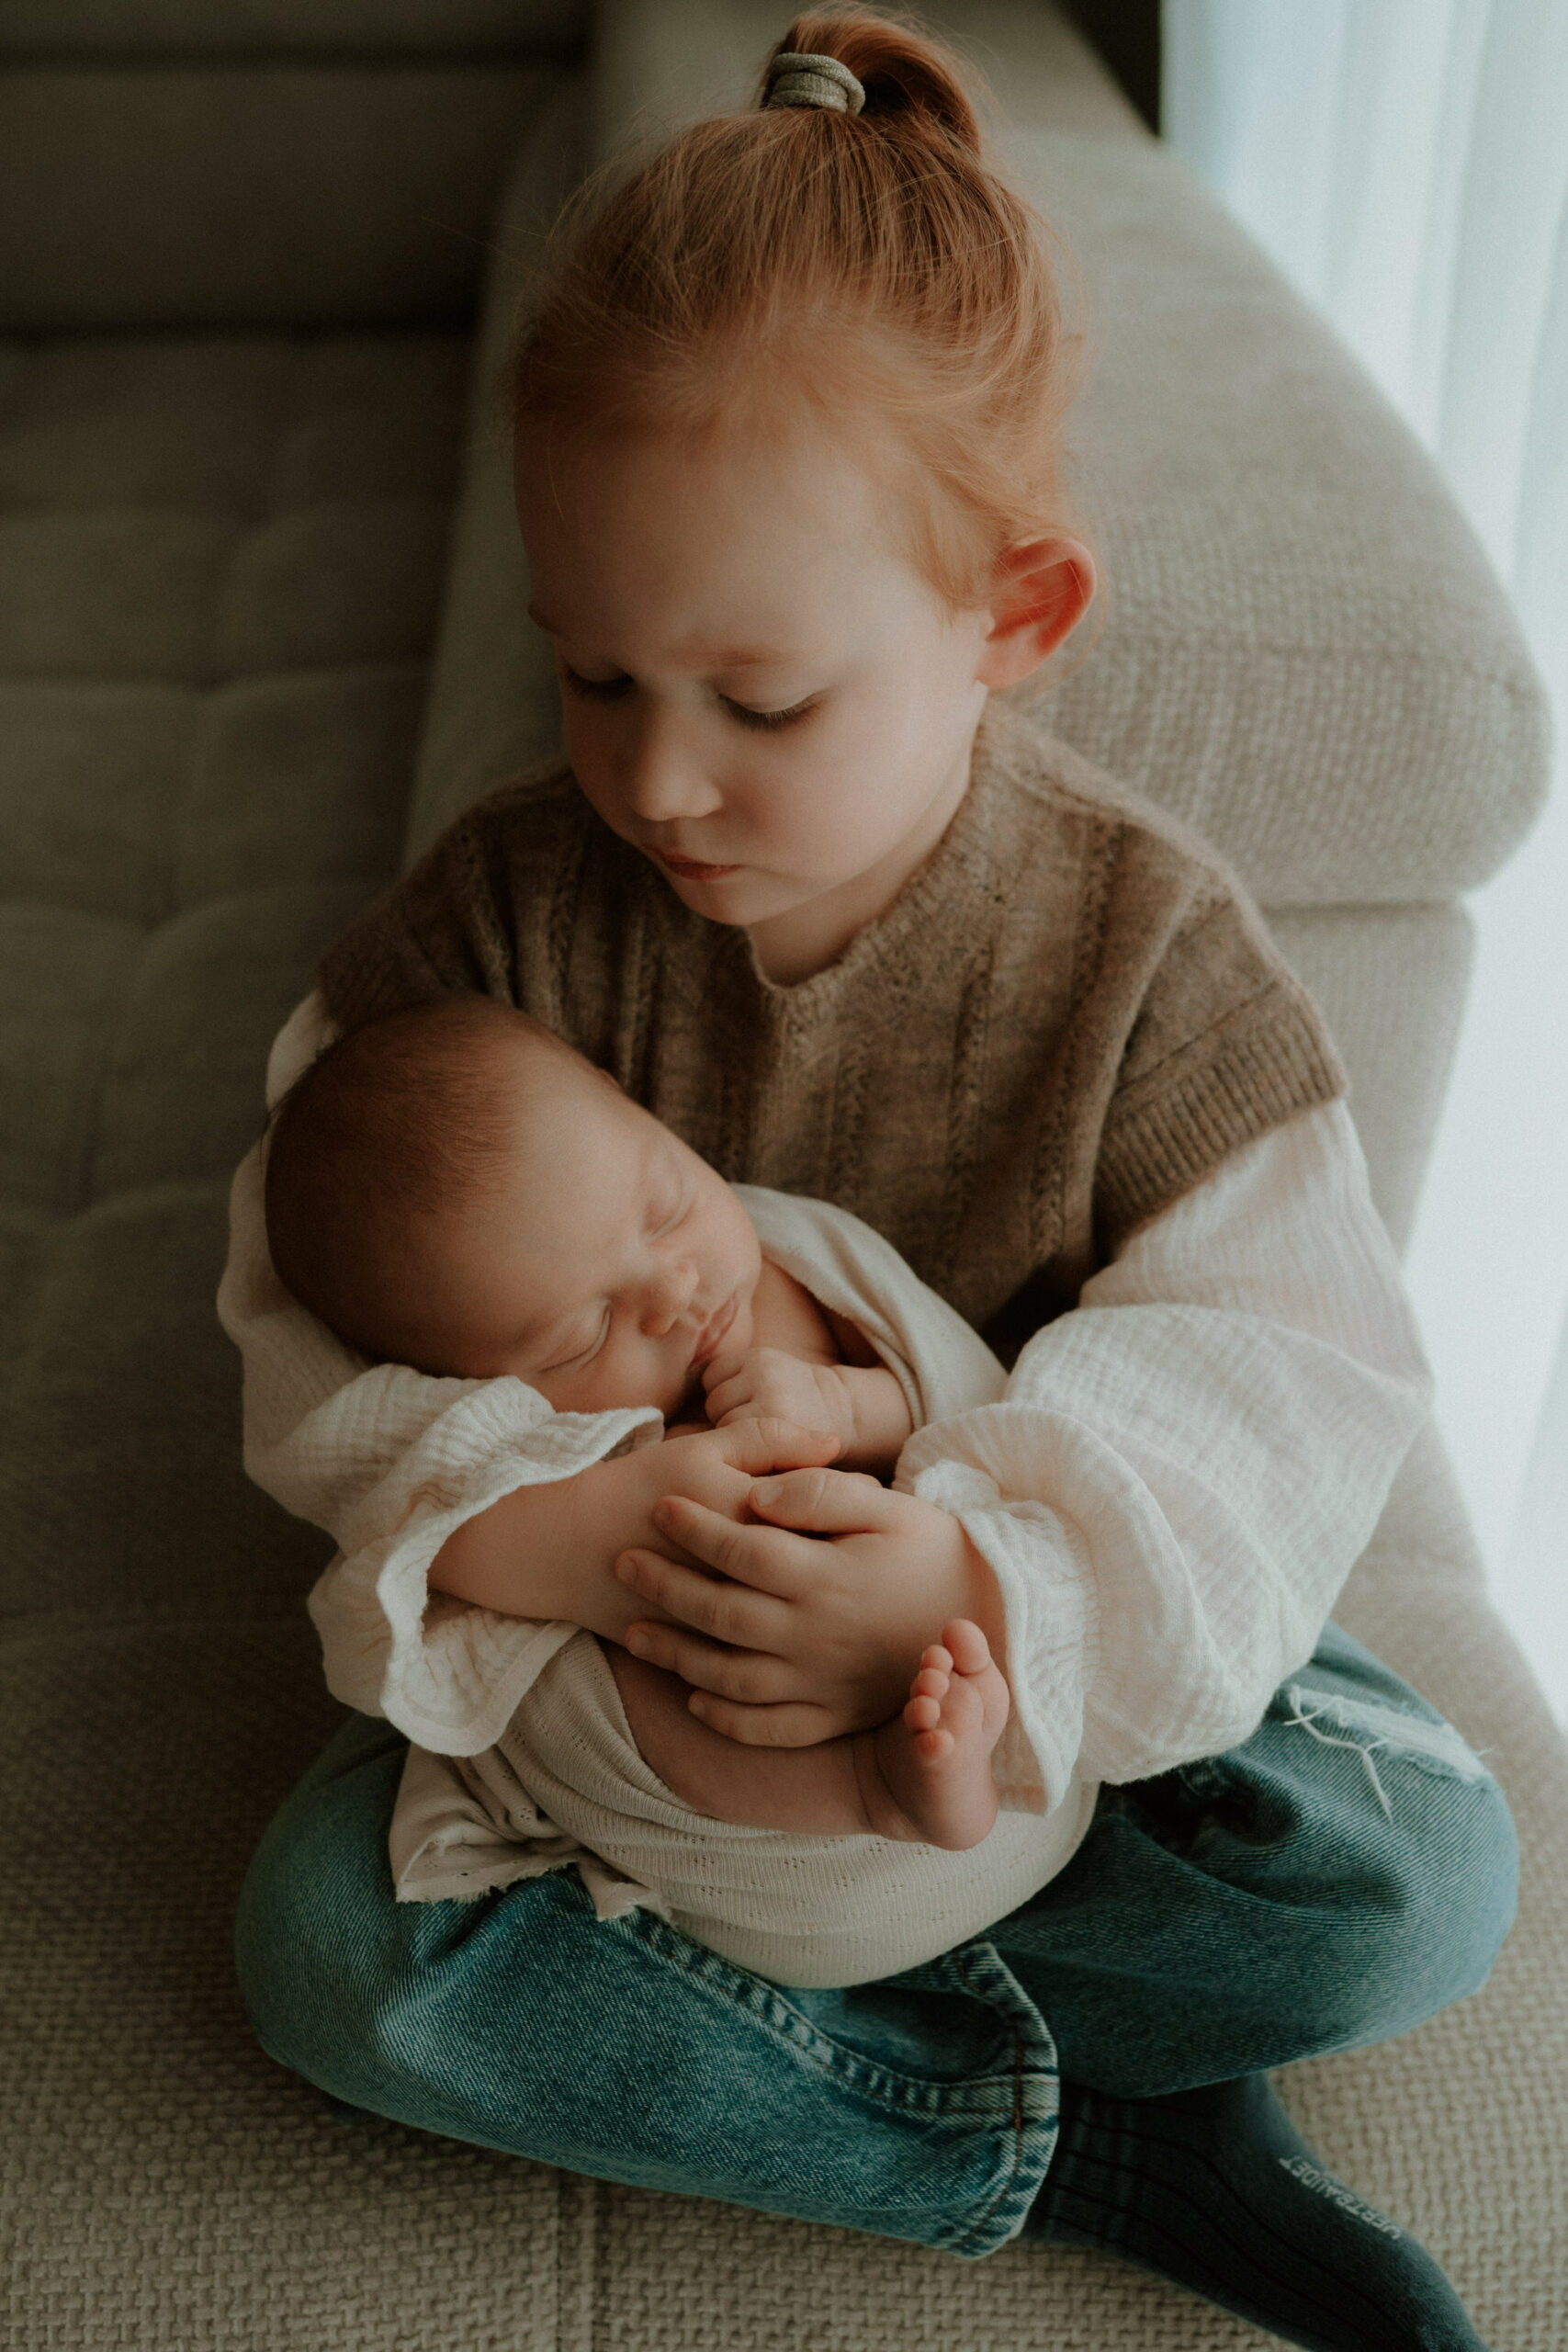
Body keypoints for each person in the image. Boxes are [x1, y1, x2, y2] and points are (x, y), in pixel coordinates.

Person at [219, 16, 1517, 2350]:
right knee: (333, 1948)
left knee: (1408, 1869)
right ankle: (1064, 2135)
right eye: (589, 673)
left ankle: (898, 1976)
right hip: (632, 1669)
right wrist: (558, 1529)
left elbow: (1278, 1372)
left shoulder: (1146, 960)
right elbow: (308, 1278)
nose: (658, 779)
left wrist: (982, 1576)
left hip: (988, 1645)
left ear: (1006, 621)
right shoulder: (508, 912)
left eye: (757, 696)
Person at [260, 992, 1052, 1976]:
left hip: (987, 1666)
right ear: (463, 1383)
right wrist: (600, 1531)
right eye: (584, 1334)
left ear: (649, 1114)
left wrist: (851, 1407)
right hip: (792, 1821)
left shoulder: (798, 1262)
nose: (676, 1293)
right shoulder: (541, 1444)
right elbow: (420, 1536)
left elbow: (967, 1401)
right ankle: (870, 1784)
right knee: (581, 1692)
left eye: (668, 1205)